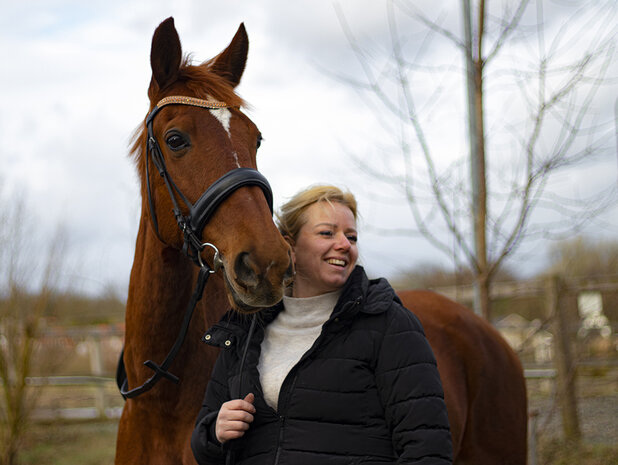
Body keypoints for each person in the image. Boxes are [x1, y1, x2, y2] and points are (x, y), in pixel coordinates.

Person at [191, 185, 453, 465]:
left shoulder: (389, 323)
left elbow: (427, 447)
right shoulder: (245, 331)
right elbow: (203, 445)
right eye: (327, 233)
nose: (344, 244)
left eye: (351, 237)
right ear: (289, 246)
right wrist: (214, 432)